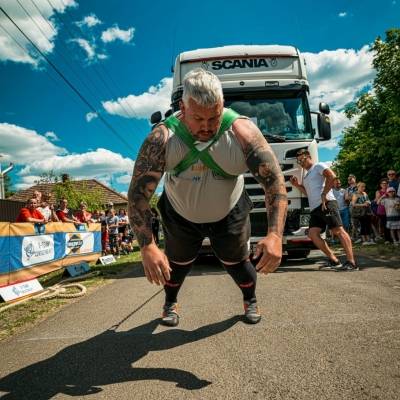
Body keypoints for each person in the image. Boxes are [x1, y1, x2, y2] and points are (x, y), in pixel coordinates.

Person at [128, 68, 287, 326]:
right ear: (182, 108)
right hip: (180, 215)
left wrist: (275, 236)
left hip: (230, 212)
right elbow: (137, 196)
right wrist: (147, 246)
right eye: (198, 118)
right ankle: (170, 302)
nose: (207, 127)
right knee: (177, 265)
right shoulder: (161, 139)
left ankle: (250, 299)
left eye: (214, 117)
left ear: (222, 106)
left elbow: (275, 184)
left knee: (237, 264)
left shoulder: (243, 133)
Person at [290, 149, 357, 271]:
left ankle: (351, 263)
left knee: (338, 230)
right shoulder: (306, 176)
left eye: (302, 159)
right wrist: (297, 185)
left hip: (327, 203)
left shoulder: (318, 166)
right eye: (298, 161)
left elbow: (332, 176)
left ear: (309, 156)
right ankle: (334, 260)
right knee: (312, 234)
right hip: (315, 208)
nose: (301, 163)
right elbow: (308, 193)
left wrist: (324, 193)